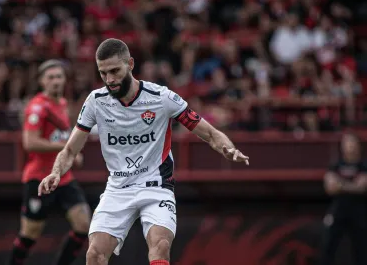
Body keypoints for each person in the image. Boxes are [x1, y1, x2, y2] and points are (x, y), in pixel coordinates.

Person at [38, 38, 249, 265]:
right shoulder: (95, 102)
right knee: (94, 254)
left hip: (156, 186)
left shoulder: (161, 97)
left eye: (115, 71)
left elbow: (208, 132)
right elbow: (70, 150)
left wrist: (228, 148)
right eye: (103, 73)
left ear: (130, 64)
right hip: (118, 188)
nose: (110, 80)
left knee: (160, 246)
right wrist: (56, 172)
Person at [8, 60, 91, 265]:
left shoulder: (62, 104)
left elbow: (64, 136)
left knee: (83, 226)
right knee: (30, 235)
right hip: (38, 178)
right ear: (42, 81)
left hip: (63, 177)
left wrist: (71, 154)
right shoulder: (37, 107)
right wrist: (66, 149)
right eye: (51, 77)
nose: (56, 81)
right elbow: (30, 142)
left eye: (59, 77)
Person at [319, 132, 367, 265]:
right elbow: (330, 187)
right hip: (338, 211)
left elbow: (363, 187)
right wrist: (353, 185)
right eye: (346, 142)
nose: (349, 146)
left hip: (360, 213)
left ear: (358, 146)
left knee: (362, 251)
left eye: (352, 142)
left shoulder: (364, 166)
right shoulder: (335, 165)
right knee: (328, 247)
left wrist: (341, 184)